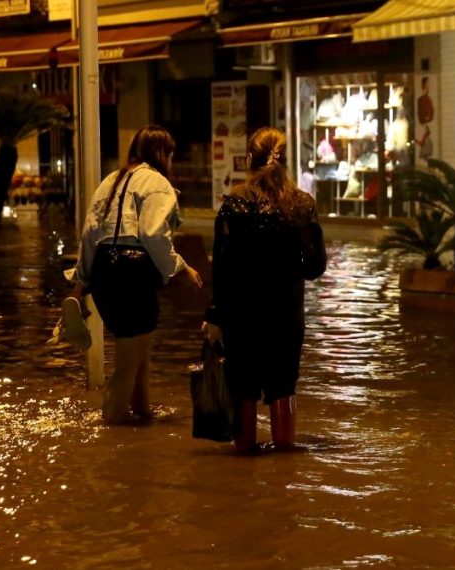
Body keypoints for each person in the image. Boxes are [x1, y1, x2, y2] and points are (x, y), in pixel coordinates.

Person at [202, 127, 327, 453]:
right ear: (285, 161)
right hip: (286, 316)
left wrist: (214, 316)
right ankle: (284, 469)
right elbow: (316, 267)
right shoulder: (302, 204)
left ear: (249, 160)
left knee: (243, 388)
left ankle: (244, 469)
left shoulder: (234, 205)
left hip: (242, 317)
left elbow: (222, 271)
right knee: (283, 386)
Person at [77, 124, 202, 424]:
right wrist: (180, 267)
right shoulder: (157, 183)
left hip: (104, 271)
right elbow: (153, 233)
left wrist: (81, 282)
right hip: (132, 272)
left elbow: (90, 233)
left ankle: (143, 414)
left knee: (138, 351)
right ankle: (112, 431)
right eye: (170, 154)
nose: (171, 160)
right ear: (161, 153)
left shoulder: (110, 181)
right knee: (128, 362)